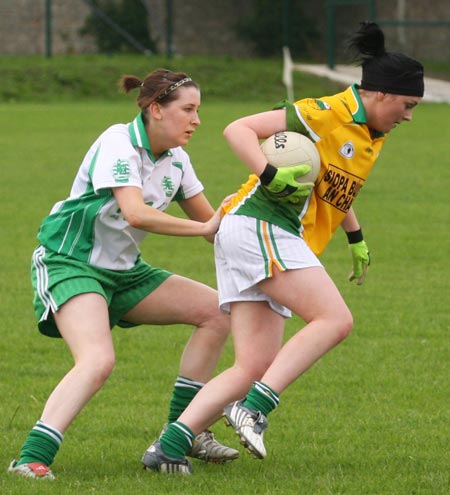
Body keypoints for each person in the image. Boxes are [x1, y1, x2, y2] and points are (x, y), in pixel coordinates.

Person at [141, 22, 425, 473]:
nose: (409, 115)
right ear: (383, 94)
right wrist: (269, 174)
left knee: (254, 363)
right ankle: (254, 409)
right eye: (407, 105)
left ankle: (169, 446)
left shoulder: (373, 134)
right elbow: (238, 129)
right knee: (335, 319)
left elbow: (334, 186)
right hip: (260, 223)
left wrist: (355, 236)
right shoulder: (324, 111)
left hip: (256, 233)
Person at [8, 68, 240, 480]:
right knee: (97, 360)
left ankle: (181, 432)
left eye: (197, 110)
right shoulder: (118, 143)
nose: (197, 120)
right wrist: (206, 227)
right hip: (70, 262)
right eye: (188, 109)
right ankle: (31, 458)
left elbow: (215, 225)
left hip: (125, 273)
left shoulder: (177, 161)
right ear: (155, 109)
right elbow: (136, 212)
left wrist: (263, 209)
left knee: (218, 312)